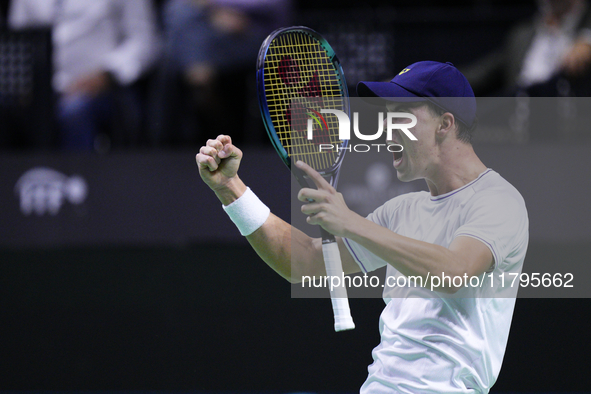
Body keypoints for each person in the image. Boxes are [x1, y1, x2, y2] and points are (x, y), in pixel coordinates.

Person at [196, 61, 529, 393]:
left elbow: (454, 272)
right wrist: (231, 189)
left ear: (445, 123)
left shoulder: (498, 200)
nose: (387, 130)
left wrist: (351, 223)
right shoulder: (401, 211)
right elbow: (306, 262)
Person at [8, 0, 161, 150]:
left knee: (74, 112)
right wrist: (23, 83)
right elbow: (17, 41)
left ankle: (76, 173)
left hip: (102, 88)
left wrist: (106, 73)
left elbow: (144, 42)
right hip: (38, 89)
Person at [464, 0, 591, 97]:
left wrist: (587, 39)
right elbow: (485, 71)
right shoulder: (522, 34)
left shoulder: (584, 34)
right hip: (519, 117)